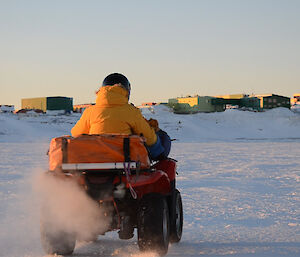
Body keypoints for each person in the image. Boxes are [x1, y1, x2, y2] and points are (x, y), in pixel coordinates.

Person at [71, 73, 166, 160]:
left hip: (96, 157)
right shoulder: (131, 111)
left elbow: (76, 134)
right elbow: (149, 137)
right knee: (163, 138)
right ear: (126, 91)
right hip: (124, 158)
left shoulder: (90, 111)